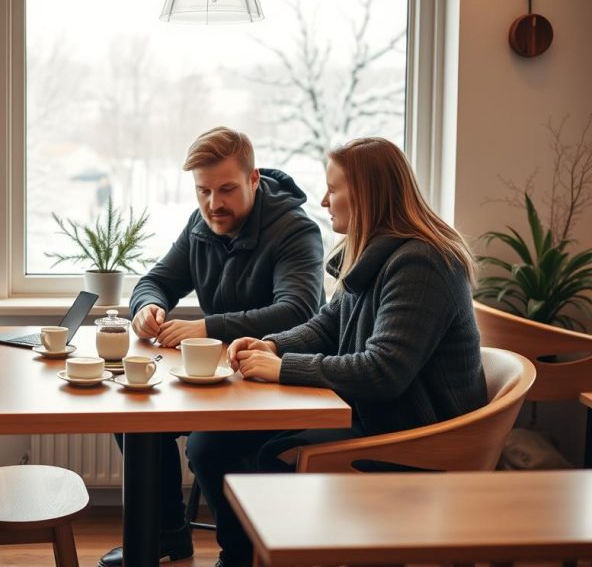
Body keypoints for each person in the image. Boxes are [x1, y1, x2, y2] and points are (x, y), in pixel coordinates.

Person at [188, 137, 488, 566]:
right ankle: (240, 559)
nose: (325, 200)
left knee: (275, 456)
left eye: (334, 189)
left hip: (415, 435)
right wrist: (272, 344)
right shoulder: (373, 252)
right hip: (374, 415)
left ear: (366, 195)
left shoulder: (422, 263)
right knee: (210, 444)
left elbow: (384, 371)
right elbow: (328, 326)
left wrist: (282, 368)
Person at [99, 127, 324, 567]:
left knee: (208, 445)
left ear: (254, 179)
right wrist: (148, 308)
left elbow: (298, 310)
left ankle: (239, 557)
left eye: (226, 190)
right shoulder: (201, 224)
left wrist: (208, 327)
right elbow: (156, 281)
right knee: (134, 414)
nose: (213, 204)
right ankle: (166, 536)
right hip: (217, 374)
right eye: (203, 191)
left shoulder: (296, 231)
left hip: (274, 376)